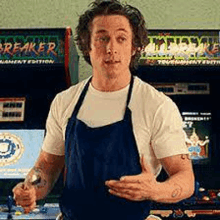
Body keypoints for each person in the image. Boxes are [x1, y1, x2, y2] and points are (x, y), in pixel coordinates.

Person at [13, 1, 195, 219]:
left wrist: (154, 190)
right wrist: (31, 187)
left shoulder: (157, 106)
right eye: (102, 38)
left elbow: (185, 178)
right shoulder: (64, 102)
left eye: (121, 38)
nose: (111, 48)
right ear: (87, 45)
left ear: (134, 46)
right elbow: (46, 167)